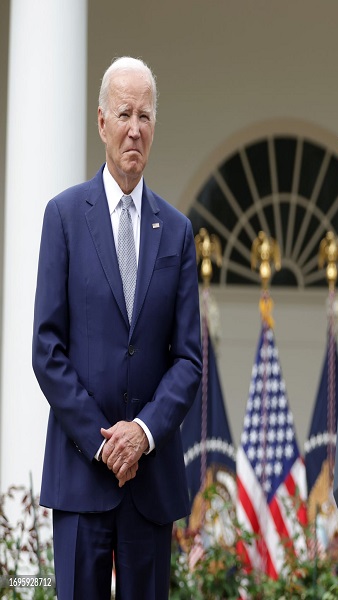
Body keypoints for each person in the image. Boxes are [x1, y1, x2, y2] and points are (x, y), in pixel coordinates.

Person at [32, 56, 202, 599]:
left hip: (150, 484)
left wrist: (143, 434)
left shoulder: (176, 232)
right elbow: (47, 347)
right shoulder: (62, 217)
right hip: (82, 475)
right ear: (102, 122)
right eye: (124, 113)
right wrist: (105, 444)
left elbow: (189, 359)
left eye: (145, 116)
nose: (135, 128)